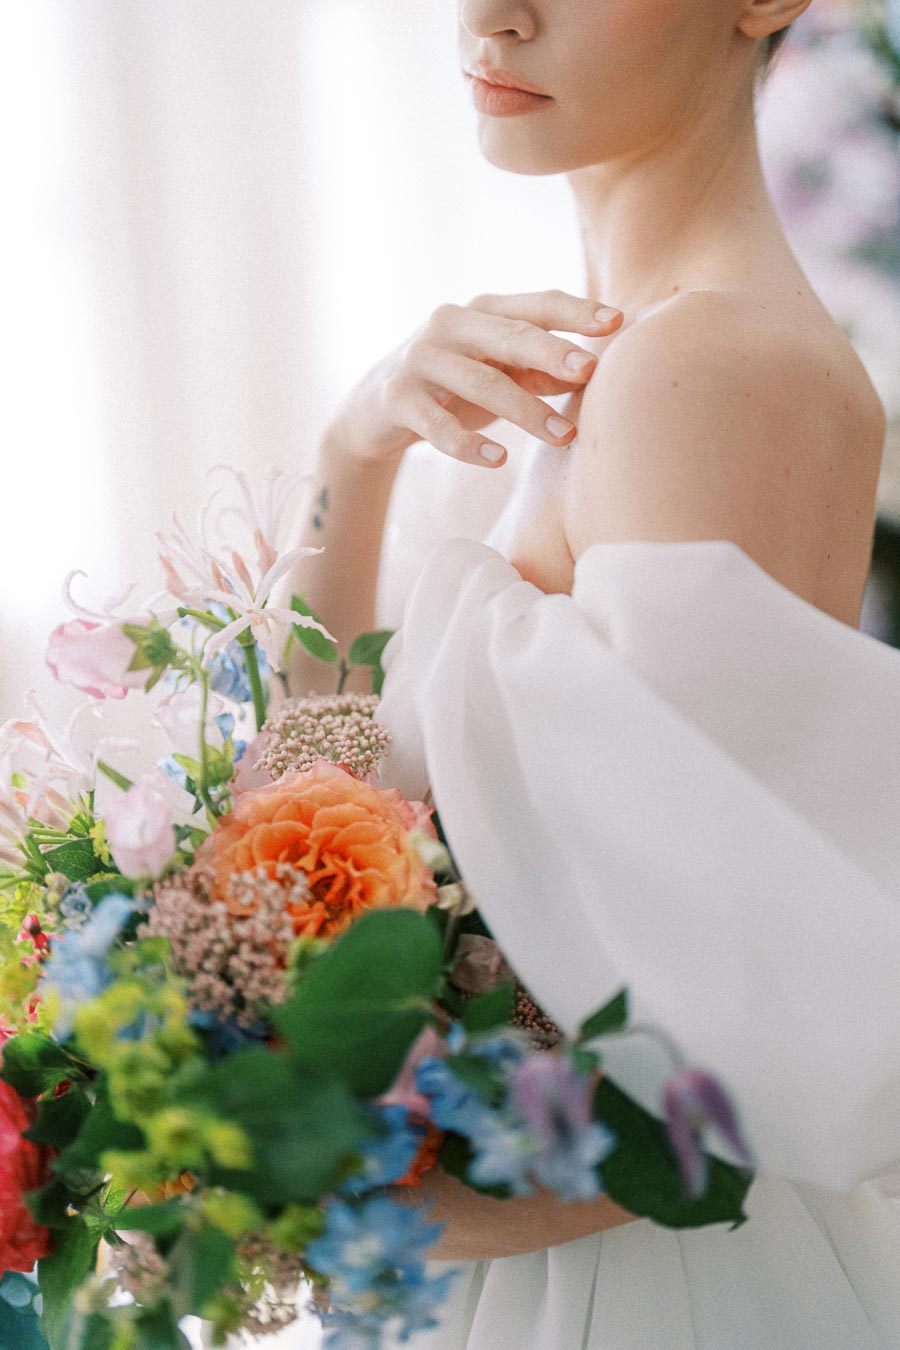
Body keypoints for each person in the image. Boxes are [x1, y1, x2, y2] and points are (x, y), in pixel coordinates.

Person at [271, 0, 900, 1346]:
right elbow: (288, 803)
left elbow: (733, 1058)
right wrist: (354, 448)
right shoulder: (621, 356)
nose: (495, 15)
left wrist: (341, 1175)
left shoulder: (708, 370)